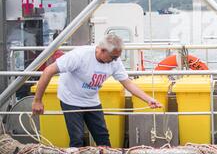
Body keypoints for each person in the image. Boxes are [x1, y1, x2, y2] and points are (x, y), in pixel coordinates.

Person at [32, 33, 162, 147]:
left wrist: (149, 99)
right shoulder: (79, 56)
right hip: (71, 99)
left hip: (92, 101)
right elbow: (48, 71)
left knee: (103, 137)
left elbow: (127, 83)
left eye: (117, 57)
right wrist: (37, 100)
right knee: (77, 139)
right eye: (113, 57)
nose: (115, 60)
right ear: (101, 50)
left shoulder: (114, 61)